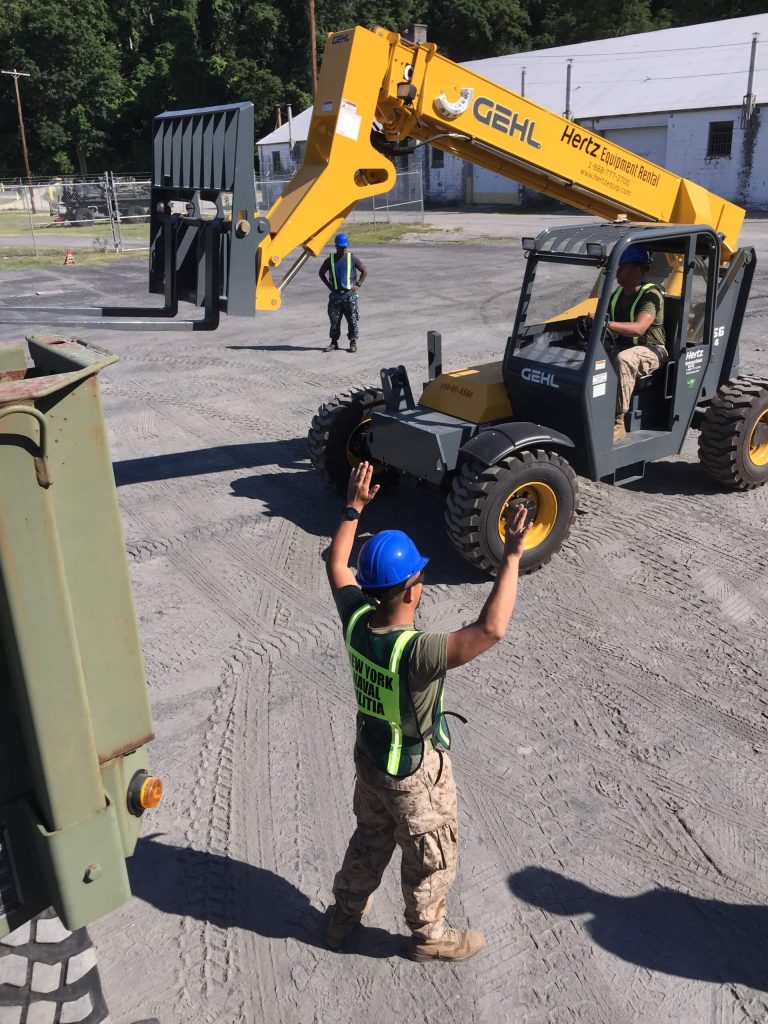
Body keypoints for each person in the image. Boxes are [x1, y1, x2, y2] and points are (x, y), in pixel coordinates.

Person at [324, 460, 530, 962]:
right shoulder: (416, 652)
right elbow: (490, 630)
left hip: (371, 761)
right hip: (415, 773)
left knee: (370, 837)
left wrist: (353, 507)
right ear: (414, 589)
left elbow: (336, 564)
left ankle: (342, 917)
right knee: (429, 855)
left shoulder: (356, 620)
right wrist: (511, 557)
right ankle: (429, 937)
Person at [589, 244, 667, 442]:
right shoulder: (617, 294)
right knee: (588, 354)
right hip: (623, 345)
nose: (617, 272)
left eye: (622, 268)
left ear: (637, 270)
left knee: (625, 359)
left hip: (652, 350)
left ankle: (618, 421)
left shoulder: (651, 294)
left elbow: (639, 328)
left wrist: (605, 323)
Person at [319, 233, 367, 353]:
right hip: (335, 296)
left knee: (352, 319)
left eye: (345, 246)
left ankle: (353, 342)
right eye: (341, 246)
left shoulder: (352, 258)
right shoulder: (330, 259)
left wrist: (358, 285)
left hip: (349, 295)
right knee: (334, 321)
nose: (344, 248)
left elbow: (364, 271)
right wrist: (329, 286)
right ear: (336, 246)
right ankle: (334, 343)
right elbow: (321, 273)